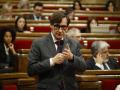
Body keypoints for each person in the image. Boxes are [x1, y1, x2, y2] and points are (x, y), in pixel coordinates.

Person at [27, 11, 86, 90]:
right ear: (51, 25)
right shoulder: (38, 43)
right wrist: (52, 61)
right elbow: (31, 70)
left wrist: (72, 57)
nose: (60, 30)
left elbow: (83, 67)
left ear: (67, 27)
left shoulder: (74, 43)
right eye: (57, 26)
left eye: (63, 27)